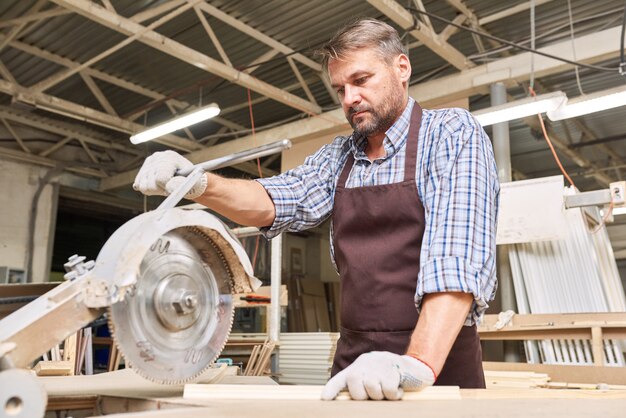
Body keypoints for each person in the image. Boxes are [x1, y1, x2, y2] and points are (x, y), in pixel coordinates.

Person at [133, 18, 500, 401]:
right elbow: (274, 200)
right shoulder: (339, 156)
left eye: (361, 80)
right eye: (340, 88)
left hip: (435, 366)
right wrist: (201, 184)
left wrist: (415, 365)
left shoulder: (451, 133)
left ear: (402, 69)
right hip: (354, 361)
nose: (349, 99)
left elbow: (455, 262)